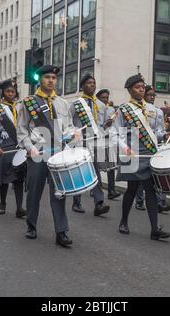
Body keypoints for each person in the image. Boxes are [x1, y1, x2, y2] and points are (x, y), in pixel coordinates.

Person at [17, 65, 81, 247]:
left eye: (53, 77)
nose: (51, 80)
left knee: (59, 193)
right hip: (38, 151)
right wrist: (30, 149)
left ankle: (61, 231)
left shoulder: (62, 103)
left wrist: (74, 135)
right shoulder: (28, 102)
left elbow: (67, 127)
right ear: (40, 79)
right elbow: (22, 130)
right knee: (34, 192)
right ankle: (31, 225)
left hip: (58, 152)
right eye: (47, 77)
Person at [112, 74, 170, 241]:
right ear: (130, 90)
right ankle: (123, 221)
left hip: (150, 152)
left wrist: (164, 135)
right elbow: (115, 133)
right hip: (133, 152)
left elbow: (158, 132)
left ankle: (155, 229)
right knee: (131, 189)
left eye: (143, 87)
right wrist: (124, 148)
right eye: (138, 87)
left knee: (151, 189)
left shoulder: (154, 110)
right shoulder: (123, 110)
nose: (141, 90)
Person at [70, 74, 110, 216]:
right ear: (82, 86)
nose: (92, 85)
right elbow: (70, 123)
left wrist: (107, 125)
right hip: (80, 142)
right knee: (79, 172)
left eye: (93, 83)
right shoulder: (76, 104)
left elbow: (101, 126)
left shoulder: (100, 105)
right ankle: (76, 202)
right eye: (89, 83)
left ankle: (99, 203)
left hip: (95, 142)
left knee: (96, 172)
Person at [0, 80, 26, 218]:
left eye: (13, 91)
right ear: (3, 93)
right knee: (4, 178)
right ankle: (2, 203)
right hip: (4, 146)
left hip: (19, 145)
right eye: (8, 91)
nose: (10, 94)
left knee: (19, 178)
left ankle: (20, 207)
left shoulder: (21, 106)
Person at [134, 85, 170, 213]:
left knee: (157, 174)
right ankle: (139, 200)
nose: (152, 97)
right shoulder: (137, 110)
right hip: (140, 146)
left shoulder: (158, 112)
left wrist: (165, 135)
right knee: (140, 177)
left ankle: (160, 201)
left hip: (154, 147)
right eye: (149, 95)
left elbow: (159, 130)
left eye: (153, 95)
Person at [96, 88, 121, 200]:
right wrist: (104, 126)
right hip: (98, 140)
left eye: (107, 97)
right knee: (97, 166)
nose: (105, 99)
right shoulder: (95, 108)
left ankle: (111, 190)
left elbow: (115, 125)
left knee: (111, 166)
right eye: (103, 97)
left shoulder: (111, 109)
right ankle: (96, 190)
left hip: (110, 140)